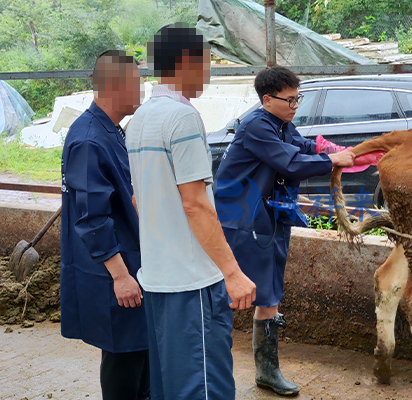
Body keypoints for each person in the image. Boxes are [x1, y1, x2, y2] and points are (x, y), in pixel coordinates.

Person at [126, 23, 256, 400]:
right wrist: (232, 273)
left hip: (157, 278)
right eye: (206, 62)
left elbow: (139, 199)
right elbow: (195, 203)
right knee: (204, 388)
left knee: (169, 386)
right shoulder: (182, 118)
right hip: (192, 283)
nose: (209, 72)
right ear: (186, 61)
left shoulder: (139, 120)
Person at [213, 66, 356, 396]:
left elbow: (300, 147)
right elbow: (288, 162)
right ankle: (206, 366)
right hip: (240, 216)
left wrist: (331, 150)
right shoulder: (255, 127)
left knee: (270, 289)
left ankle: (267, 371)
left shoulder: (280, 124)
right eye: (289, 99)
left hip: (269, 213)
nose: (295, 106)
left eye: (297, 99)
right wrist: (332, 162)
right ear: (267, 99)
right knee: (226, 291)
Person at [60, 50, 149, 400]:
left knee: (141, 352)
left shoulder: (111, 130)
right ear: (117, 86)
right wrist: (121, 276)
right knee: (123, 358)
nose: (142, 91)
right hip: (114, 267)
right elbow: (92, 216)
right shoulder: (88, 139)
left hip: (132, 257)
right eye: (138, 84)